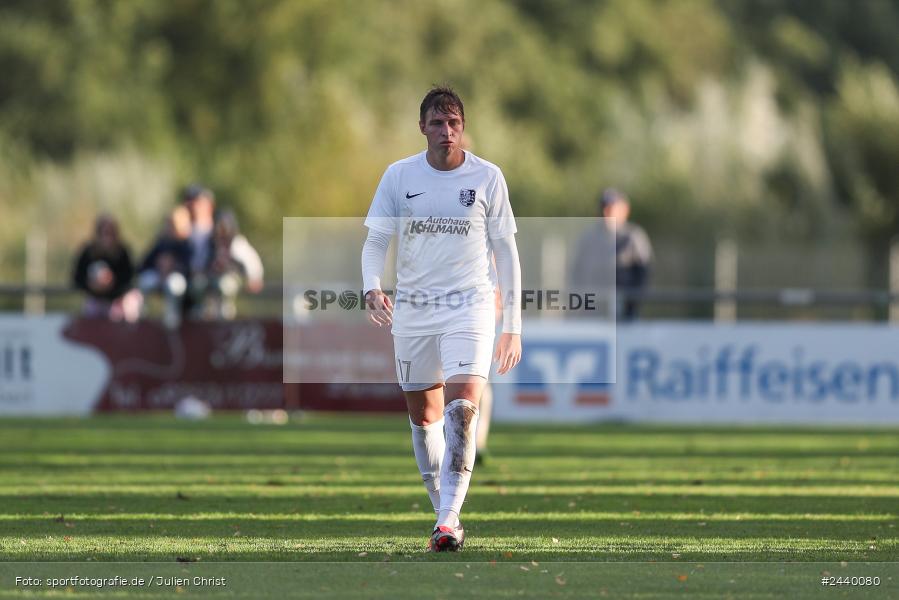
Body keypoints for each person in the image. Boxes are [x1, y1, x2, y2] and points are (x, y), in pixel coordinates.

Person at [361, 86, 522, 552]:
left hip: (469, 306)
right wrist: (372, 284)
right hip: (413, 309)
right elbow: (376, 241)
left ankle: (450, 519)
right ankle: (442, 512)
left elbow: (507, 253)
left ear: (463, 127)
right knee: (424, 418)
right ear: (422, 128)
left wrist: (513, 323)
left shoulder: (489, 178)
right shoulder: (399, 176)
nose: (446, 131)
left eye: (453, 123)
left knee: (463, 408)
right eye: (437, 122)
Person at [571, 188, 653, 320]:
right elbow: (576, 273)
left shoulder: (633, 237)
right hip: (592, 312)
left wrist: (630, 305)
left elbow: (642, 275)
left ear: (624, 210)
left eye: (611, 208)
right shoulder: (588, 238)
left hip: (623, 314)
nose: (606, 213)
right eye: (603, 207)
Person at [72, 214, 140, 322]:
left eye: (111, 233)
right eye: (104, 233)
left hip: (119, 302)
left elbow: (129, 278)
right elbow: (77, 278)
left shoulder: (122, 252)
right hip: (96, 302)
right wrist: (92, 286)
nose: (107, 237)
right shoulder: (88, 252)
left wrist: (112, 285)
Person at [137, 205, 192, 329]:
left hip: (176, 280)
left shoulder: (185, 244)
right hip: (159, 277)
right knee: (145, 281)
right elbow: (143, 264)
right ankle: (143, 314)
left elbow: (188, 267)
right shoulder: (161, 242)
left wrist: (172, 267)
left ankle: (172, 318)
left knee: (175, 284)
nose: (169, 227)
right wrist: (159, 266)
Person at [204, 209, 264, 319]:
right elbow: (202, 262)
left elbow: (252, 262)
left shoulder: (237, 242)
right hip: (212, 278)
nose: (221, 229)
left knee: (225, 286)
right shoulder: (210, 242)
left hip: (232, 277)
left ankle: (225, 317)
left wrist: (254, 277)